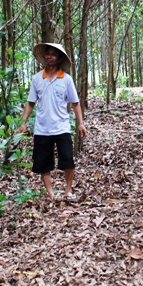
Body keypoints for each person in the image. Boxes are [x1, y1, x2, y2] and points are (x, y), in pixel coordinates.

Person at [17, 43, 87, 202]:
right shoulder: (36, 79)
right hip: (42, 129)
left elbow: (75, 103)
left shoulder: (67, 80)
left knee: (68, 160)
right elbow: (30, 102)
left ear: (59, 58)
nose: (49, 57)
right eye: (47, 54)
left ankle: (68, 191)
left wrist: (80, 123)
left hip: (62, 127)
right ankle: (51, 195)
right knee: (43, 164)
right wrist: (23, 122)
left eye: (53, 54)